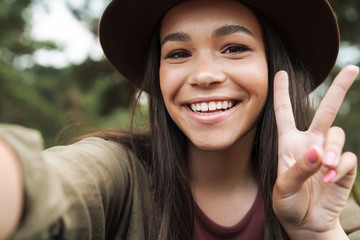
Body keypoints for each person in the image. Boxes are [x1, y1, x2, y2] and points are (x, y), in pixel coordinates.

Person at [0, 0, 359, 239]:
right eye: (179, 53)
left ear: (274, 66)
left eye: (234, 48)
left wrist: (319, 234)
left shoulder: (324, 195)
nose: (203, 75)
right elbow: (47, 182)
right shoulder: (117, 172)